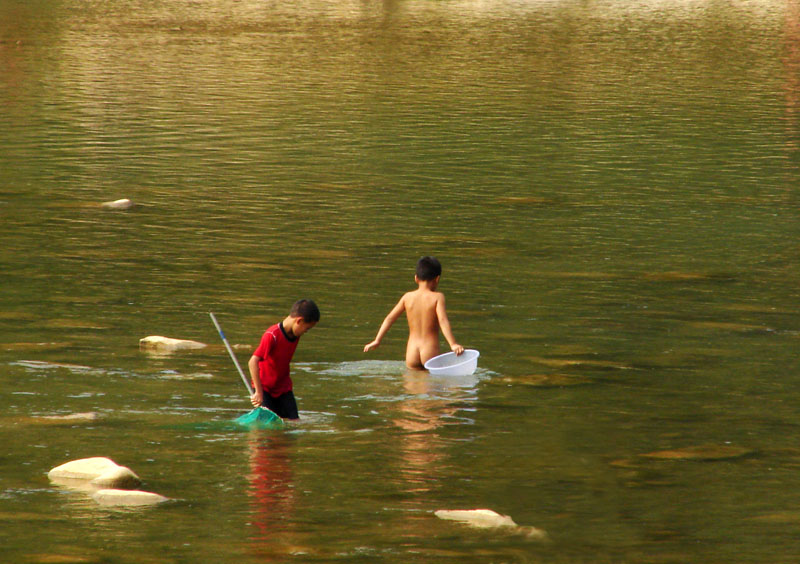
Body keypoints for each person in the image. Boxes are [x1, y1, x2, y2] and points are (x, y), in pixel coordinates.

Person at [364, 256, 464, 369]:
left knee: (412, 384)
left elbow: (389, 318)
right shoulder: (437, 297)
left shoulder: (407, 297)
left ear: (416, 278)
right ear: (437, 279)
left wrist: (377, 340)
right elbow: (442, 320)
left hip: (412, 351)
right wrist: (453, 343)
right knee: (431, 384)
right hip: (429, 350)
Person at [248, 299, 320, 419]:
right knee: (269, 424)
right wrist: (258, 392)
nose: (305, 332)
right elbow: (253, 361)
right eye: (306, 329)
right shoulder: (272, 336)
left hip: (283, 387)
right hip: (265, 388)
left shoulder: (295, 334)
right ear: (299, 321)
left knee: (294, 422)